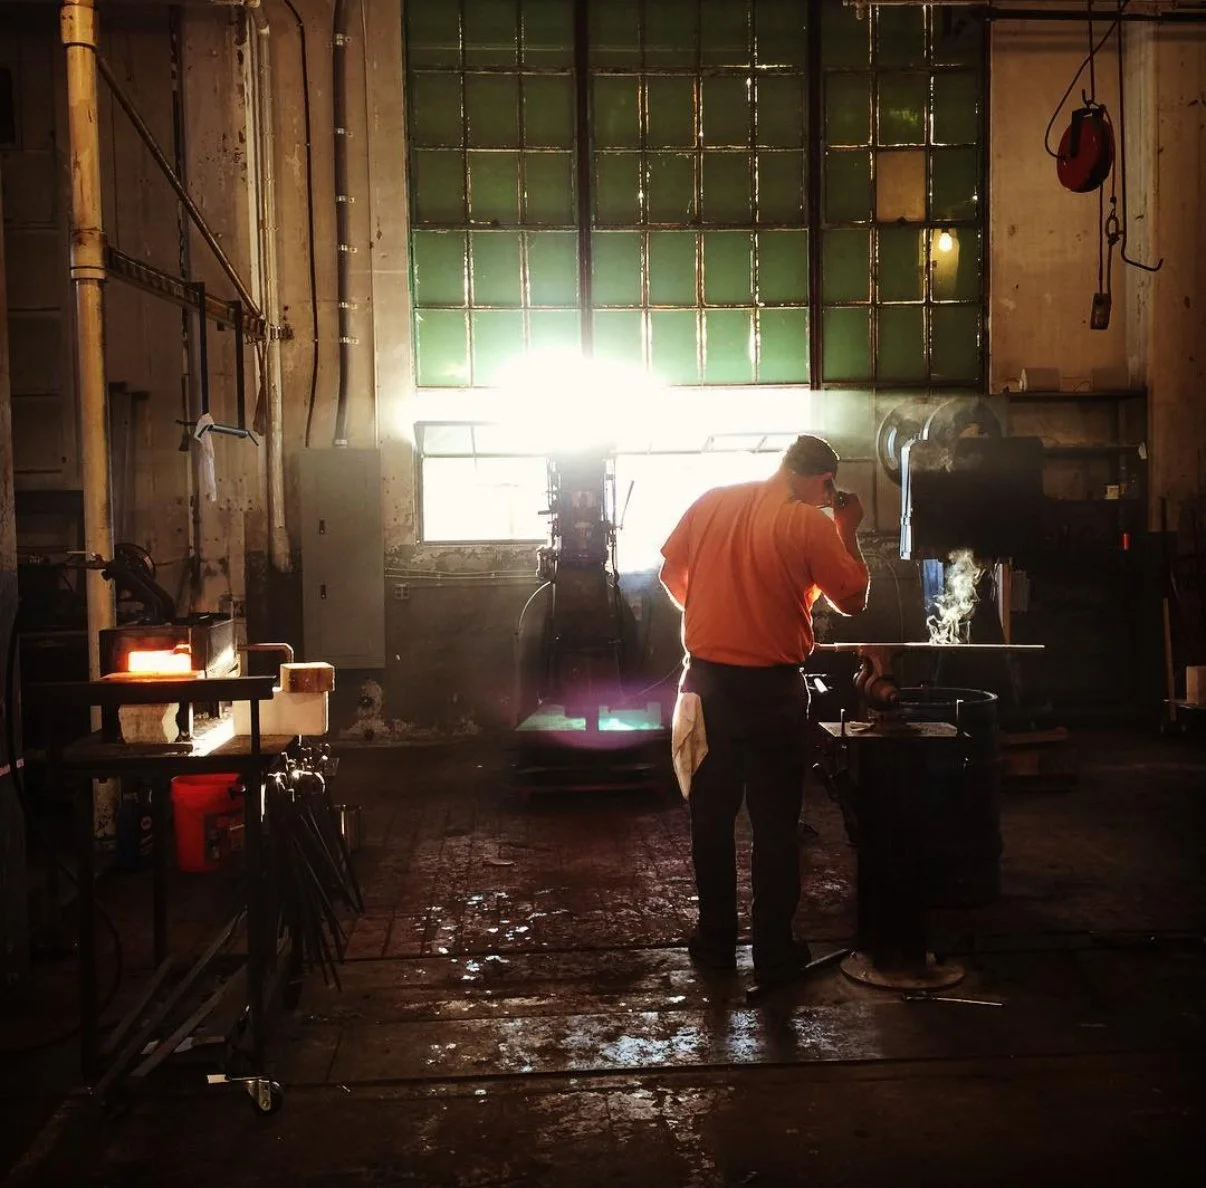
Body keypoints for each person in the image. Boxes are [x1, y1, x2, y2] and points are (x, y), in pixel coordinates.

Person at [658, 434, 870, 993]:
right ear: (824, 480)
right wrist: (846, 528)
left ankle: (716, 943)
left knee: (710, 820)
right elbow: (852, 599)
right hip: (772, 692)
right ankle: (774, 951)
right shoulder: (809, 523)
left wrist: (712, 612)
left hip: (704, 687)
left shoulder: (712, 501)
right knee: (774, 825)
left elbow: (670, 574)